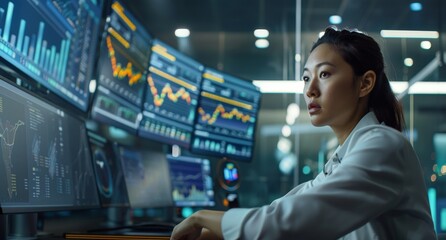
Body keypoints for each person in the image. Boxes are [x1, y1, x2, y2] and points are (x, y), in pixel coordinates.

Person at [170, 27, 437, 240]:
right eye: (307, 78)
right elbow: (285, 207)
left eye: (325, 74)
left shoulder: (383, 145)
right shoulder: (343, 158)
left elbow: (289, 222)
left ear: (365, 83)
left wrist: (201, 217)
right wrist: (218, 232)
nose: (310, 90)